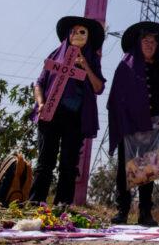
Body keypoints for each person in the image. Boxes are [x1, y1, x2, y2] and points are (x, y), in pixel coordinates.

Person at [107, 21, 159, 226]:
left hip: (153, 124)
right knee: (126, 167)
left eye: (153, 42)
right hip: (129, 124)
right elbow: (116, 97)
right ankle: (122, 210)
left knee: (149, 168)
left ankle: (145, 213)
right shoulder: (125, 66)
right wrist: (122, 120)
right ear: (138, 44)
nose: (150, 45)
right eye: (146, 41)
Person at [30, 15, 106, 204]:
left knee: (69, 164)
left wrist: (85, 66)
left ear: (88, 37)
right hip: (50, 113)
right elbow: (39, 83)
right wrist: (41, 103)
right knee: (45, 161)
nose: (77, 34)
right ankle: (35, 203)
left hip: (76, 117)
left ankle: (62, 207)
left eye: (82, 32)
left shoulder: (92, 59)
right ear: (67, 35)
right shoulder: (55, 55)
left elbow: (98, 87)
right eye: (73, 31)